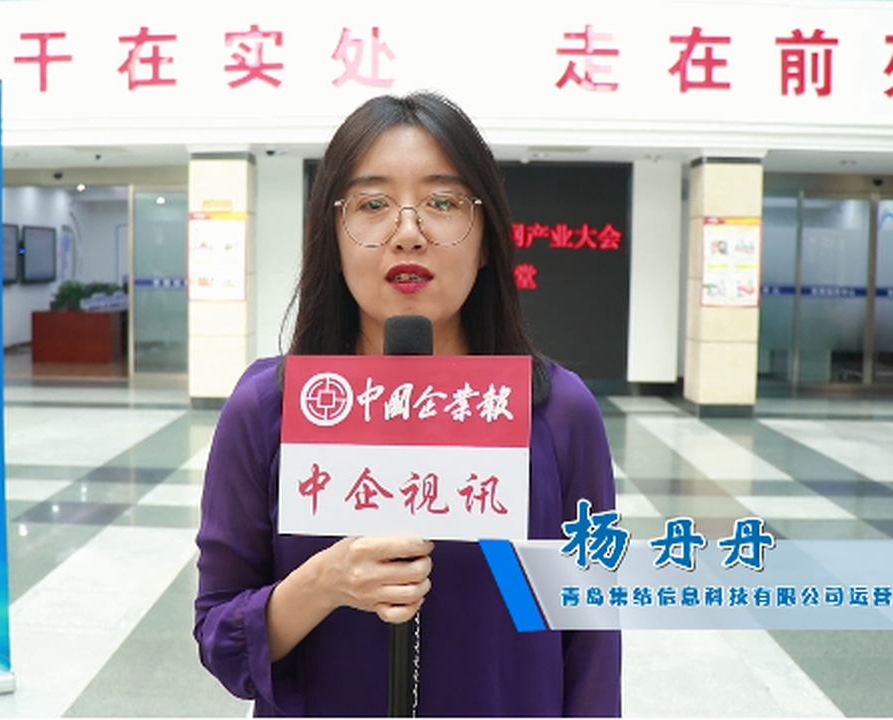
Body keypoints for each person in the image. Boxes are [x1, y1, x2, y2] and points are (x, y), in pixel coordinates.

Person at [194, 92, 620, 717]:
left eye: (443, 203)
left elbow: (591, 639)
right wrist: (324, 581)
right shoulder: (266, 408)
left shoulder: (558, 413)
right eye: (372, 204)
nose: (408, 233)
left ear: (486, 239)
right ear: (332, 237)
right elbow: (220, 637)